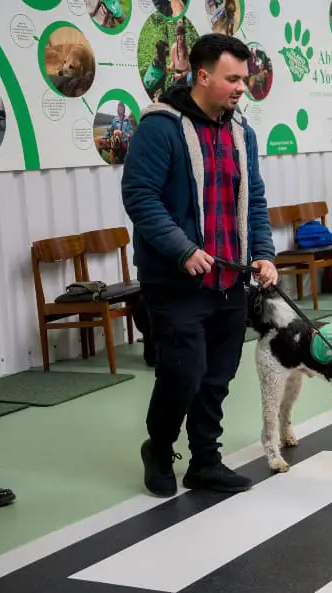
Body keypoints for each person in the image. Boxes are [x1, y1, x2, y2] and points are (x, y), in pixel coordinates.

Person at [122, 33, 278, 498]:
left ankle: (205, 461)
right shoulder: (160, 127)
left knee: (217, 376)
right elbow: (140, 196)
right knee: (183, 371)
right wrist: (183, 248)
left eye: (244, 80)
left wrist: (264, 254)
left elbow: (254, 200)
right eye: (233, 79)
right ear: (202, 75)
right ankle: (160, 447)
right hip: (175, 279)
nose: (241, 88)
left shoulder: (241, 133)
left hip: (230, 280)